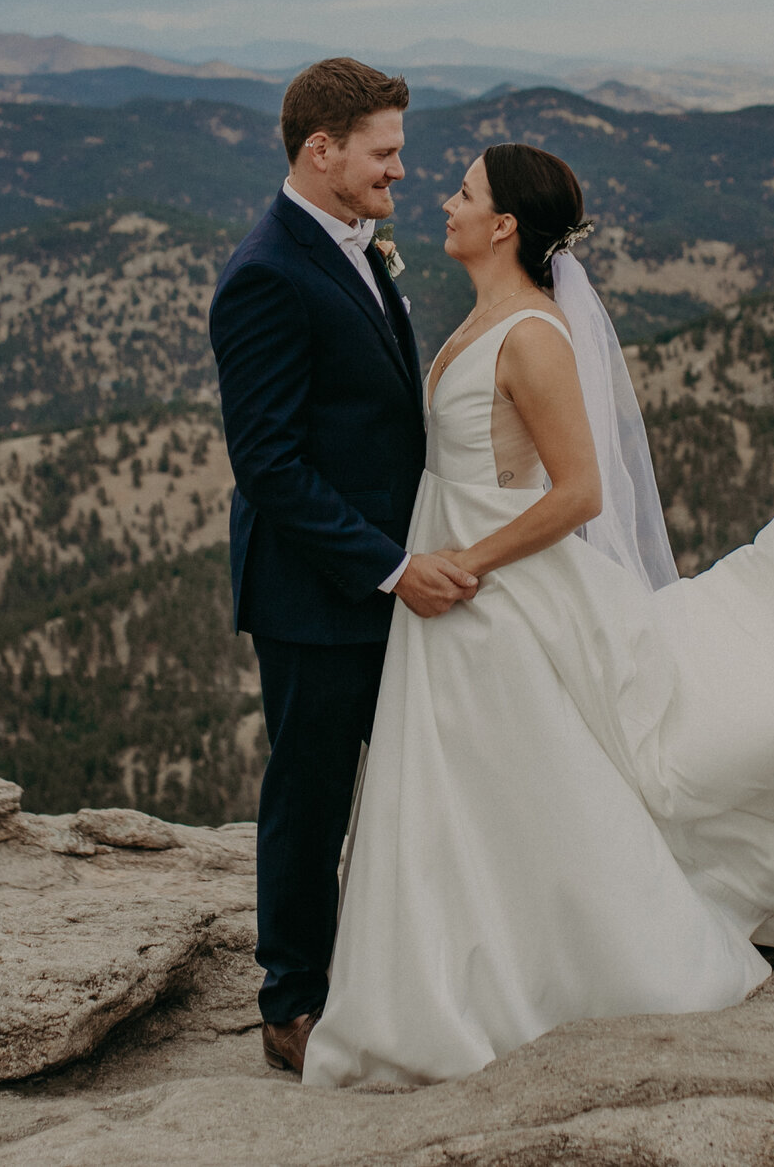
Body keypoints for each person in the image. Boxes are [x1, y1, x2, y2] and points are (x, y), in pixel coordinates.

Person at [303, 143, 774, 1089]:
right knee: (468, 788)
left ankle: (524, 976)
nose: (446, 203)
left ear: (505, 226)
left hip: (490, 589)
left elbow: (580, 492)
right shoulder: (484, 319)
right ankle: (446, 976)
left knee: (511, 780)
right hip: (453, 584)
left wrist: (466, 561)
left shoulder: (534, 335)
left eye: (465, 193)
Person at [207, 57, 481, 1074]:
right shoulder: (266, 271)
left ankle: (406, 966)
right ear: (320, 150)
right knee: (312, 795)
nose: (400, 172)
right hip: (317, 592)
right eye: (384, 152)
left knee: (417, 778)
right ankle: (291, 1001)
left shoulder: (352, 245)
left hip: (380, 576)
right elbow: (269, 466)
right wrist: (390, 567)